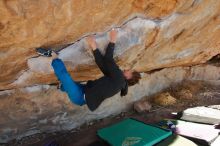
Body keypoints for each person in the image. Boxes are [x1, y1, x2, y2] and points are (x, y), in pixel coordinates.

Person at [36, 30, 141, 111]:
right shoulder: (117, 81)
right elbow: (103, 65)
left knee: (65, 77)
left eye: (129, 71)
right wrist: (94, 46)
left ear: (129, 77)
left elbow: (108, 59)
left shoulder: (119, 79)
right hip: (84, 89)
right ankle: (62, 86)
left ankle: (53, 55)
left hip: (80, 97)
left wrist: (113, 39)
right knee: (67, 83)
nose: (127, 69)